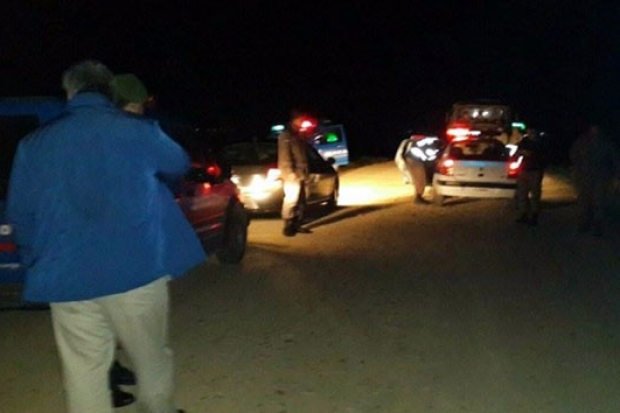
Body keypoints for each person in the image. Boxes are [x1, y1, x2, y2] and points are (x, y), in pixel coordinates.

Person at [6, 60, 204, 413]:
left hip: (67, 278)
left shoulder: (33, 144)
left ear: (69, 92)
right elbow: (178, 163)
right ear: (110, 92)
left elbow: (20, 212)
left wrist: (34, 259)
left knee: (84, 369)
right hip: (135, 273)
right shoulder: (138, 131)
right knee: (151, 358)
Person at [569, 123, 618, 236]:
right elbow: (573, 155)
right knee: (584, 201)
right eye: (592, 128)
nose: (594, 130)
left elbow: (614, 158)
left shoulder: (605, 142)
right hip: (584, 176)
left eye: (596, 129)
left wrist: (615, 175)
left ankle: (598, 224)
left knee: (598, 201)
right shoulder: (581, 141)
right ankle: (584, 223)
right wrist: (579, 166)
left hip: (601, 177)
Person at [278, 110, 311, 236]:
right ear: (294, 120)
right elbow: (284, 155)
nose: (302, 121)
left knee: (302, 199)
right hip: (292, 174)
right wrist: (289, 172)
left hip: (302, 172)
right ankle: (288, 225)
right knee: (292, 199)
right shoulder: (286, 135)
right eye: (301, 119)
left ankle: (297, 224)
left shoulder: (298, 134)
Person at [515, 128, 548, 226]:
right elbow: (517, 152)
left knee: (535, 194)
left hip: (536, 170)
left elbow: (545, 156)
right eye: (529, 132)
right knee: (522, 193)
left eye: (532, 132)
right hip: (524, 170)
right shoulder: (524, 142)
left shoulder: (540, 143)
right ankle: (523, 214)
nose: (530, 134)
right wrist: (522, 152)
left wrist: (533, 154)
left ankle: (534, 215)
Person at [395, 135, 432, 204]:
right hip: (413, 163)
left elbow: (400, 155)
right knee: (419, 180)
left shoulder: (406, 142)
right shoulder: (414, 143)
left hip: (408, 162)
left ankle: (418, 197)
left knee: (416, 180)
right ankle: (418, 198)